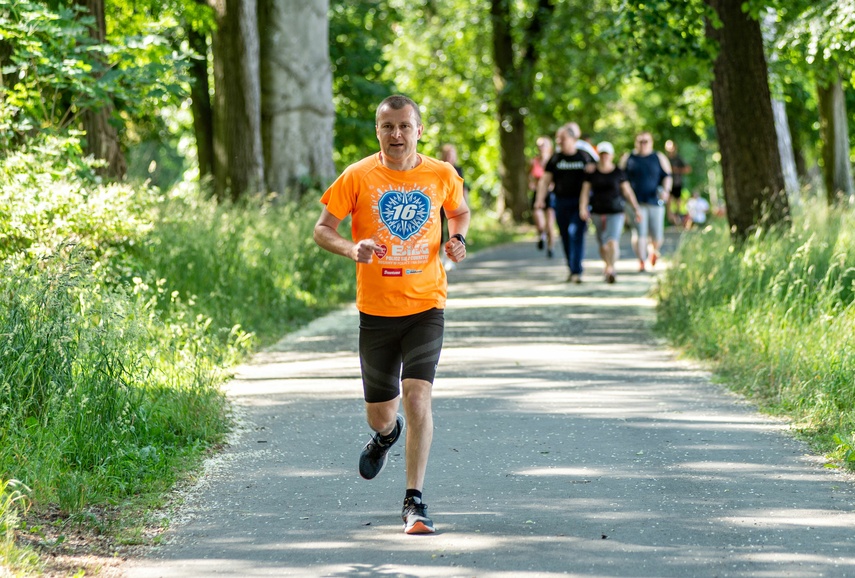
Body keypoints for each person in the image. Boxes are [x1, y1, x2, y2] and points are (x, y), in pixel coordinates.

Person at [313, 95, 470, 535]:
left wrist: (458, 240)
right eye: (388, 127)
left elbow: (459, 212)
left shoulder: (441, 174)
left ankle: (414, 500)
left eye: (405, 126)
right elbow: (322, 229)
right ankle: (386, 436)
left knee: (418, 395)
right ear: (377, 130)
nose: (396, 134)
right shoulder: (358, 176)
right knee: (381, 414)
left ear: (419, 130)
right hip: (376, 312)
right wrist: (351, 248)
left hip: (426, 305)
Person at [535, 126, 596, 283]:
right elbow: (545, 181)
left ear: (573, 139)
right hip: (561, 202)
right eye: (557, 138)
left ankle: (577, 270)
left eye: (562, 138)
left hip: (580, 203)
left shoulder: (585, 156)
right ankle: (572, 267)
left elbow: (600, 172)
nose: (559, 141)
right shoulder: (555, 159)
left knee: (575, 233)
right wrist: (540, 199)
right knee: (565, 235)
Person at [579, 141, 641, 284]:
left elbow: (627, 191)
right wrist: (583, 208)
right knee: (602, 244)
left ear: (611, 156)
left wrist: (636, 208)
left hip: (615, 212)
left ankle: (611, 268)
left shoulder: (618, 172)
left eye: (607, 154)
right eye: (602, 154)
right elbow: (585, 192)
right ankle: (607, 265)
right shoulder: (591, 173)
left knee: (612, 241)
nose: (604, 157)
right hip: (597, 212)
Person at [619, 131, 672, 271]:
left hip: (655, 201)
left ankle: (653, 251)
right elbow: (620, 179)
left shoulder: (658, 157)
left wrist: (666, 191)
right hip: (634, 203)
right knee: (639, 232)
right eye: (640, 141)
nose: (643, 144)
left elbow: (667, 176)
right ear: (636, 142)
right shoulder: (628, 158)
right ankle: (641, 261)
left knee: (657, 236)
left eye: (646, 141)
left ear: (651, 142)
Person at [528, 135, 556, 257]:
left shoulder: (554, 160)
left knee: (550, 224)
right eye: (539, 145)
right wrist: (531, 184)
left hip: (551, 193)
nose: (541, 147)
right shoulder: (534, 161)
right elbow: (529, 176)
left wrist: (553, 186)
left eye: (543, 145)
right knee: (539, 221)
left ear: (549, 146)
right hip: (538, 192)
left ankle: (550, 247)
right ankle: (542, 235)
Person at [664, 140, 691, 226]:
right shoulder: (665, 159)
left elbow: (688, 169)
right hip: (666, 184)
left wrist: (676, 170)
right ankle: (671, 219)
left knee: (677, 202)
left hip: (676, 183)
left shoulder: (678, 158)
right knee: (668, 201)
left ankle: (679, 218)